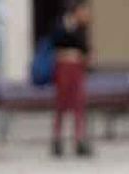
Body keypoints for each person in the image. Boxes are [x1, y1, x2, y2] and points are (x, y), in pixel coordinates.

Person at [50, 0, 92, 158]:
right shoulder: (60, 25)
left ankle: (79, 139)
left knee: (78, 104)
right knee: (61, 104)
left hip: (77, 67)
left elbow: (84, 48)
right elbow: (56, 42)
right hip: (63, 67)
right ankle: (57, 139)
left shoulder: (82, 28)